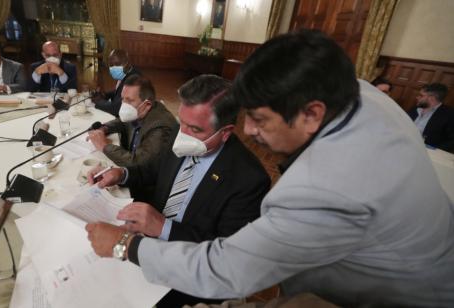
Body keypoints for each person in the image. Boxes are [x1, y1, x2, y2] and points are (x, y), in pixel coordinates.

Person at [86, 30, 454, 307]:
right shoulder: (356, 91)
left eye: (260, 120)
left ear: (312, 113)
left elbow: (226, 269)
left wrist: (124, 246)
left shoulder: (317, 189)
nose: (248, 131)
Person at [87, 74, 270, 307]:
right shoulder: (178, 132)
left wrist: (164, 227)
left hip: (188, 276)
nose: (182, 134)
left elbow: (224, 256)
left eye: (194, 129)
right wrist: (122, 174)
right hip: (144, 246)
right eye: (181, 122)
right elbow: (154, 171)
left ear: (225, 132)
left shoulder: (248, 179)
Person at [88, 74, 177, 168]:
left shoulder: (160, 128)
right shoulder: (140, 110)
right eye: (123, 99)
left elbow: (138, 164)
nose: (124, 105)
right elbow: (124, 122)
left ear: (147, 104)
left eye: (129, 100)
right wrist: (105, 128)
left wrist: (104, 146)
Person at [92, 49, 141, 117]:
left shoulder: (134, 80)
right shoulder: (128, 73)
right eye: (111, 65)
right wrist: (105, 95)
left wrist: (98, 101)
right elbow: (119, 91)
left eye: (117, 64)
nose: (113, 68)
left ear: (127, 63)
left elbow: (116, 109)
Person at [408, 83, 454, 153]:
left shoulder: (449, 115)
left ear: (431, 98)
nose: (417, 97)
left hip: (426, 154)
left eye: (421, 95)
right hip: (404, 146)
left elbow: (451, 141)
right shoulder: (415, 108)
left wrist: (434, 151)